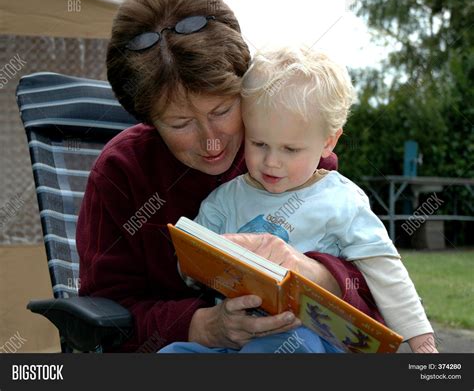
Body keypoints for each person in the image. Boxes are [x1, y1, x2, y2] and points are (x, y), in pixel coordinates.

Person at [77, 0, 383, 353]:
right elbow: (104, 315)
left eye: (222, 111)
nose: (212, 142)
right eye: (179, 124)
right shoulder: (121, 173)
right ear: (148, 120)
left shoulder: (279, 148)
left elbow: (373, 280)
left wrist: (314, 274)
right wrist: (198, 325)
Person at [166, 47, 437, 353]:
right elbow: (190, 261)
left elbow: (385, 271)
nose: (271, 162)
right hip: (235, 337)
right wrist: (190, 267)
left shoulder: (341, 199)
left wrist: (422, 342)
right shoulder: (226, 198)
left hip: (308, 339)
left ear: (328, 142)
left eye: (290, 150)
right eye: (259, 143)